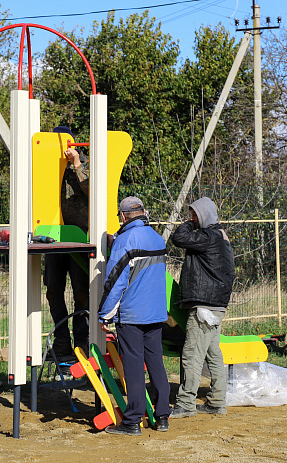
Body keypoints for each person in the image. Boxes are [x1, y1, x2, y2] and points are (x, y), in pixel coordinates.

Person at [99, 196, 171, 435]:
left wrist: (104, 316)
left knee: (133, 367)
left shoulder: (125, 240)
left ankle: (131, 421)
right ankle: (162, 417)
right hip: (156, 312)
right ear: (144, 213)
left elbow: (114, 283)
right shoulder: (156, 237)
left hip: (132, 314)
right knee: (156, 363)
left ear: (122, 216)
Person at [169, 196, 235, 418]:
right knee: (212, 353)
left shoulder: (208, 236)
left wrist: (189, 223)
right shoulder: (221, 237)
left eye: (195, 214)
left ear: (204, 215)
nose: (192, 218)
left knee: (192, 354)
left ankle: (186, 403)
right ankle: (217, 401)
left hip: (204, 306)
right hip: (216, 305)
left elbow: (178, 237)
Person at [44, 126, 90, 358]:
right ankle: (62, 340)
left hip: (79, 238)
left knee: (82, 293)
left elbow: (93, 191)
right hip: (52, 237)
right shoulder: (46, 166)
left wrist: (77, 165)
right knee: (53, 291)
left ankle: (81, 342)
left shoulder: (85, 161)